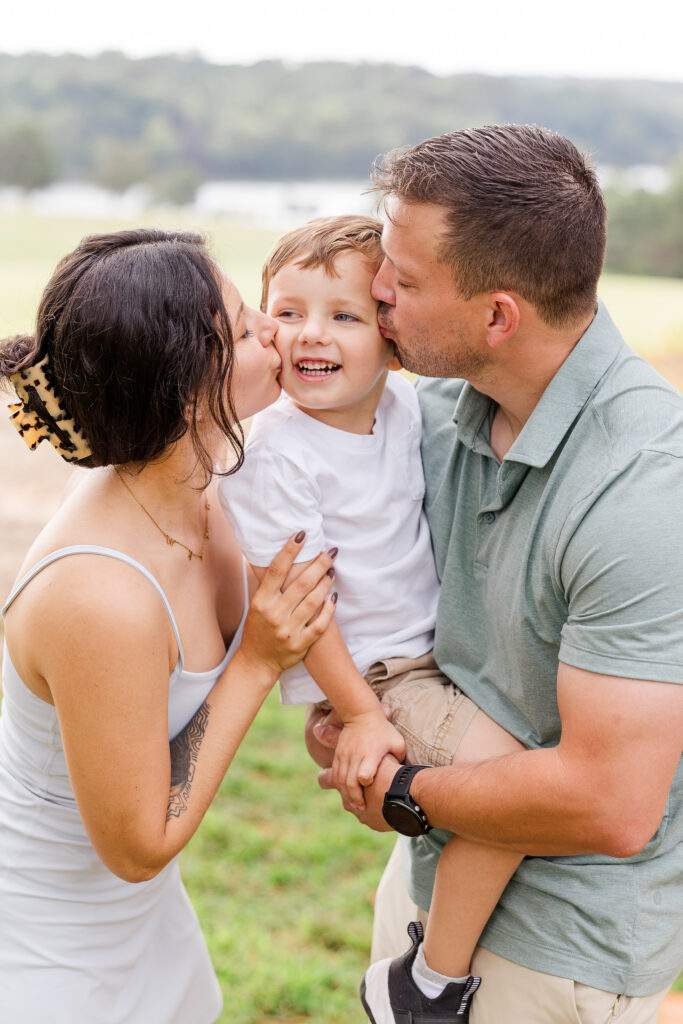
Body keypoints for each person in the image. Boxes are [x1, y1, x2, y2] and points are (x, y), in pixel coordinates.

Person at [308, 125, 683, 1024]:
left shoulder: (645, 492)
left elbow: (610, 805)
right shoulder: (434, 407)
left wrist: (397, 790)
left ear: (497, 315)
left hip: (556, 952)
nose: (377, 289)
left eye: (403, 276)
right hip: (425, 878)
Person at [0, 227, 338, 1024]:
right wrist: (256, 662)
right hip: (51, 959)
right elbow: (136, 845)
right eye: (248, 322)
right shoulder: (100, 594)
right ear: (186, 387)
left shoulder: (206, 488)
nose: (272, 330)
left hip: (148, 933)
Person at [218, 214, 529, 1021]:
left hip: (433, 655)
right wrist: (356, 714)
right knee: (512, 796)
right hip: (382, 674)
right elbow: (301, 611)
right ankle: (426, 982)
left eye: (344, 316)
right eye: (286, 313)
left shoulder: (404, 404)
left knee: (500, 790)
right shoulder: (276, 454)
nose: (309, 335)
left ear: (392, 339)